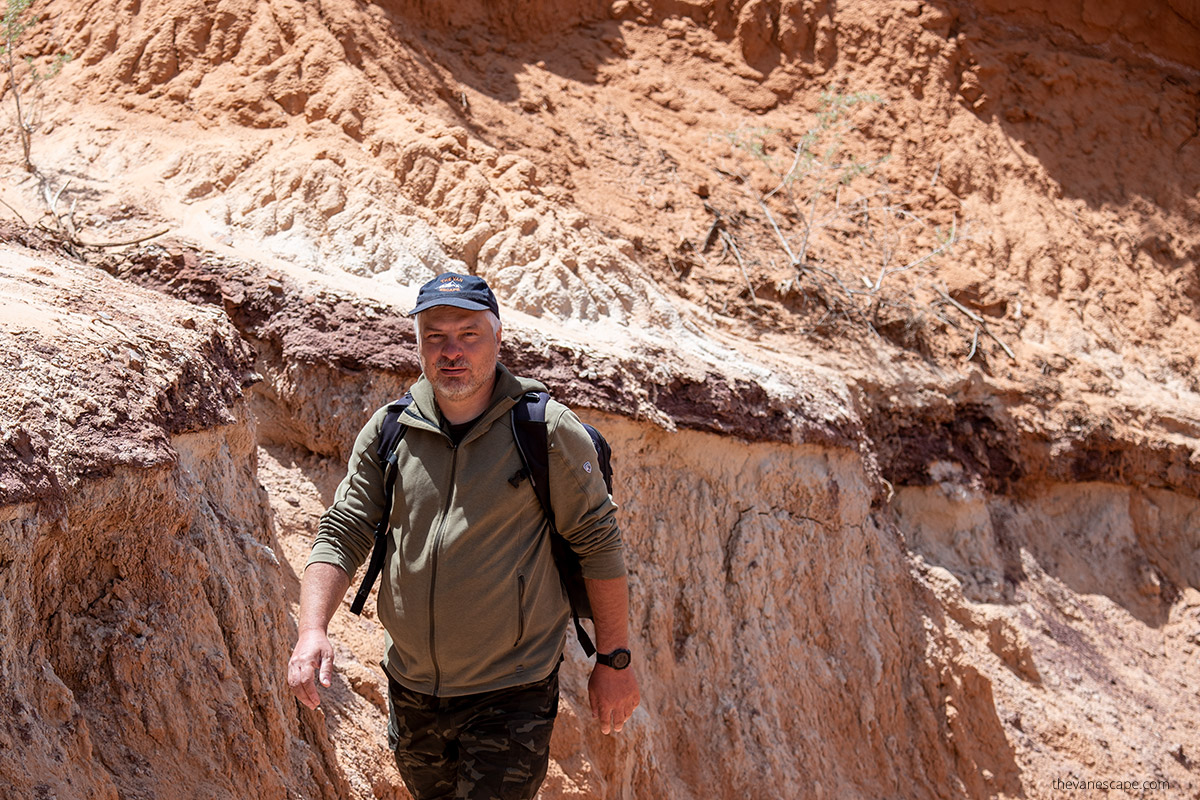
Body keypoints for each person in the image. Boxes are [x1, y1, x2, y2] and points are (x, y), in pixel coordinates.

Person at [287, 272, 640, 800]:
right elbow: (344, 529)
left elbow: (598, 543)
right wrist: (312, 629)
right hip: (411, 687)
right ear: (419, 344)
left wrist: (614, 659)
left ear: (497, 339)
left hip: (510, 691)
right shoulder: (392, 430)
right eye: (435, 335)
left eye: (468, 334)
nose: (451, 351)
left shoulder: (545, 430)